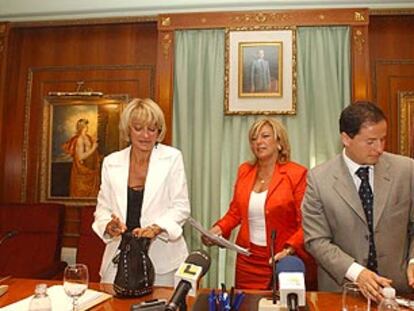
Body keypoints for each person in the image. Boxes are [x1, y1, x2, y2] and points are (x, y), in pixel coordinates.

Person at [302, 101, 414, 301]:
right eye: (370, 142)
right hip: (343, 291)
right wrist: (357, 273)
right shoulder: (319, 180)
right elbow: (316, 240)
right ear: (346, 138)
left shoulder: (406, 170)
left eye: (383, 139)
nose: (379, 149)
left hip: (398, 291)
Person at [202, 118, 317, 290]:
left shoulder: (297, 174)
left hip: (283, 259)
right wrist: (216, 231)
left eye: (265, 136)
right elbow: (235, 213)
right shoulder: (245, 171)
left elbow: (307, 223)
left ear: (279, 143)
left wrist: (288, 250)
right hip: (248, 260)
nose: (259, 142)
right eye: (254, 138)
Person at [92, 98, 190, 286]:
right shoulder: (111, 162)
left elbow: (181, 207)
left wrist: (157, 228)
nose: (145, 135)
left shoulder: (172, 158)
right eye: (138, 128)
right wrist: (108, 226)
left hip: (163, 261)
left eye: (152, 129)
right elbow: (102, 209)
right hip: (119, 259)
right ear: (128, 129)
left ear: (159, 131)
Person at [62, 118, 101, 197]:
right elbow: (80, 157)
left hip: (91, 170)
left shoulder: (88, 137)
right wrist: (93, 147)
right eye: (86, 125)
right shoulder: (80, 139)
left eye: (87, 124)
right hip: (83, 172)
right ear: (82, 127)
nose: (87, 127)